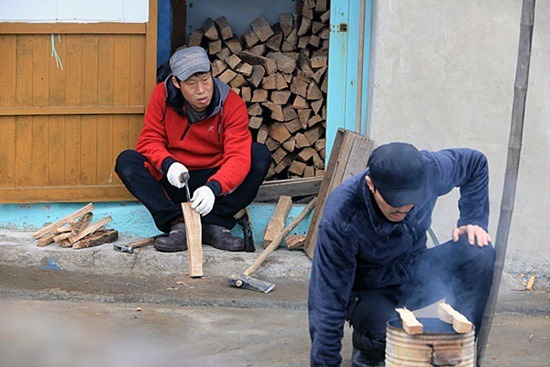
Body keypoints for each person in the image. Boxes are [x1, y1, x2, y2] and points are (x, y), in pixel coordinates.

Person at [308, 142, 496, 366]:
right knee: (391, 339)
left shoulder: (430, 170)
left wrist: (473, 219)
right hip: (369, 291)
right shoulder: (341, 217)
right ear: (371, 185)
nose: (403, 209)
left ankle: (458, 351)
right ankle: (369, 350)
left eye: (410, 201)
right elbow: (327, 302)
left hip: (414, 270)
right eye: (394, 204)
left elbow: (475, 162)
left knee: (478, 250)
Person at [115, 46, 271, 253]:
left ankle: (217, 223)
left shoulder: (231, 103)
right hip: (176, 177)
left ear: (211, 74)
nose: (201, 90)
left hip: (214, 178)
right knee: (127, 161)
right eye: (191, 83)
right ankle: (177, 223)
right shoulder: (161, 95)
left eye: (205, 79)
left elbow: (238, 157)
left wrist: (214, 187)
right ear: (176, 83)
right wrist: (168, 164)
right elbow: (149, 140)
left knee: (259, 155)